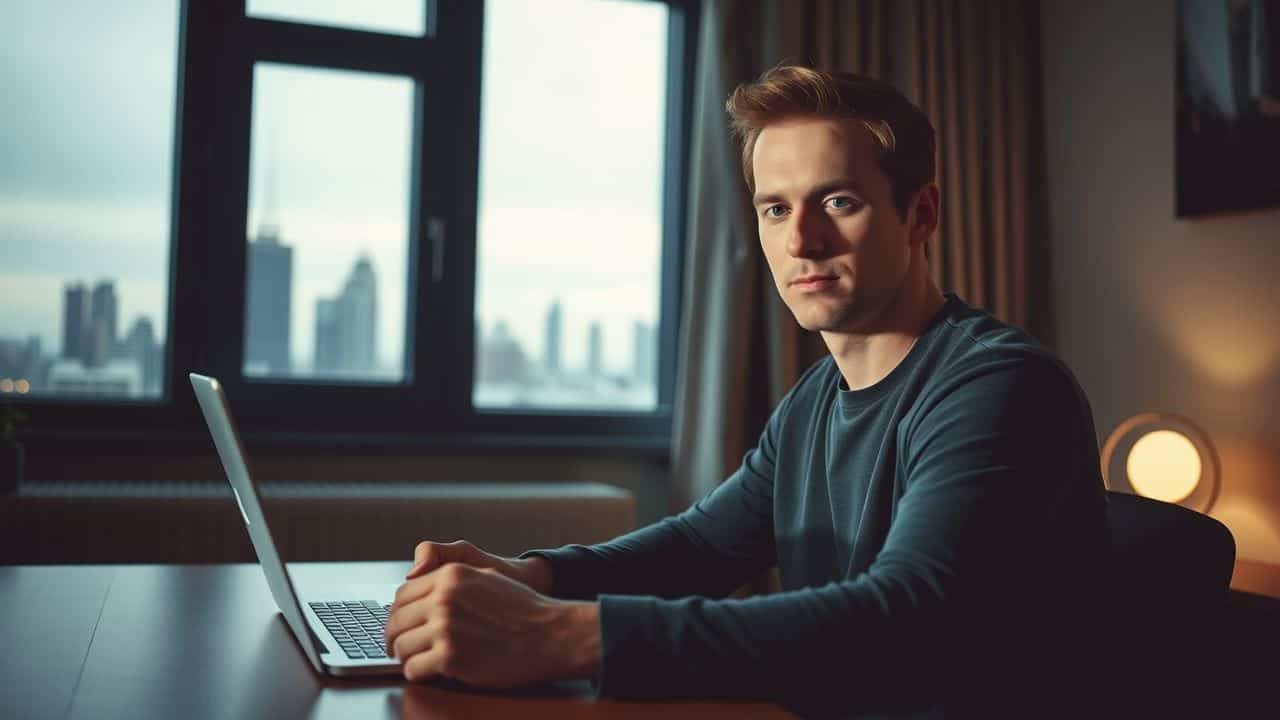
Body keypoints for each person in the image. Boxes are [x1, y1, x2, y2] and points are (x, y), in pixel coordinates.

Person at [383, 65, 1109, 714]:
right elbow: (699, 545)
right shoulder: (816, 399)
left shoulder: (999, 386)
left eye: (839, 202)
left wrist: (562, 633)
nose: (802, 242)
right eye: (776, 209)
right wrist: (529, 575)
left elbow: (905, 617)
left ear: (920, 214)